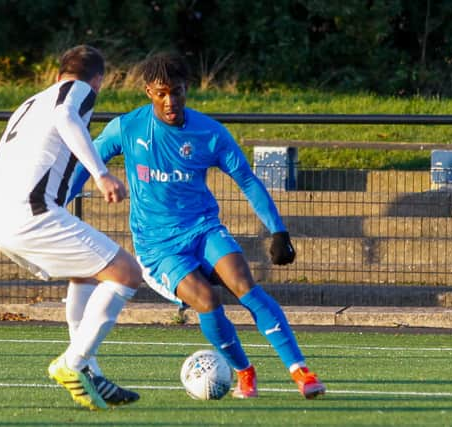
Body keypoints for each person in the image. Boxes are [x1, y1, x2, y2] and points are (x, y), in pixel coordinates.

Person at [69, 52, 326, 399]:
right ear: (148, 92)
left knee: (244, 284)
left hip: (203, 229)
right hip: (157, 246)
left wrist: (278, 230)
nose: (170, 101)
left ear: (187, 89)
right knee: (207, 299)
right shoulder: (127, 127)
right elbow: (86, 163)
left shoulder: (209, 133)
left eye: (177, 92)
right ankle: (244, 371)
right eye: (161, 93)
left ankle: (301, 372)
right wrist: (54, 205)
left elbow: (247, 180)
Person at [0, 45, 142, 410]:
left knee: (86, 274)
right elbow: (67, 118)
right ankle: (73, 363)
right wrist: (101, 174)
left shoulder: (27, 106)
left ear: (57, 73)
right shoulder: (76, 91)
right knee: (127, 273)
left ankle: (89, 373)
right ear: (99, 80)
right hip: (32, 212)